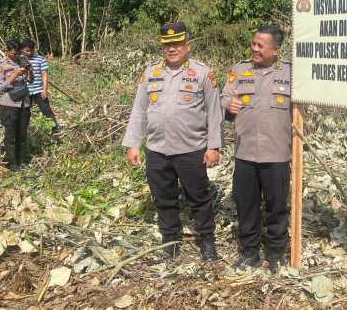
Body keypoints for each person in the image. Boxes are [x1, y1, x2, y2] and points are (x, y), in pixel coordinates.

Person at [122, 22, 223, 261]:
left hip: (191, 148)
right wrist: (134, 144)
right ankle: (171, 241)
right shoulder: (150, 73)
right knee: (163, 198)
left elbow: (214, 112)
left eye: (177, 43)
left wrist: (214, 147)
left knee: (199, 198)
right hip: (157, 149)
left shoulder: (202, 73)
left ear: (187, 46)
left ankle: (207, 241)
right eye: (167, 44)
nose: (172, 48)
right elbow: (139, 111)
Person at [221, 25, 292, 273]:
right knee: (246, 205)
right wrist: (228, 105)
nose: (254, 49)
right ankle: (249, 253)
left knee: (277, 206)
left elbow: (303, 110)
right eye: (253, 44)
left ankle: (276, 253)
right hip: (245, 153)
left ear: (276, 50)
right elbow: (223, 98)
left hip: (277, 153)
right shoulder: (240, 71)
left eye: (260, 46)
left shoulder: (291, 74)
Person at [0, 39, 33, 171]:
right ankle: (13, 164)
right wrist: (13, 75)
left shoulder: (23, 60)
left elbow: (31, 80)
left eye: (18, 53)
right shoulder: (0, 65)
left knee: (22, 134)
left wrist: (29, 72)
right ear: (7, 51)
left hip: (24, 103)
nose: (16, 56)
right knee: (11, 135)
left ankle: (22, 161)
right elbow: (0, 88)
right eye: (13, 54)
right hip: (9, 104)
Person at [20, 39, 59, 133]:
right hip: (25, 92)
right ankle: (23, 133)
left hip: (38, 90)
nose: (29, 52)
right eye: (27, 50)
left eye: (31, 50)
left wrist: (44, 90)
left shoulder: (41, 59)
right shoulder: (19, 59)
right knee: (25, 113)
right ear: (22, 50)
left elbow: (44, 75)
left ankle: (54, 130)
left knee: (46, 110)